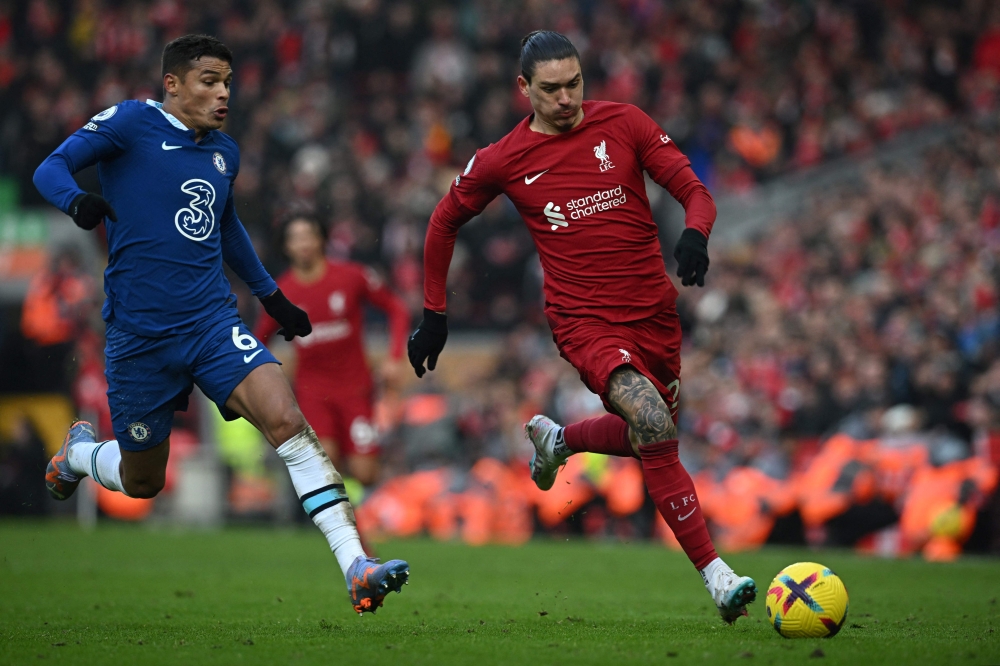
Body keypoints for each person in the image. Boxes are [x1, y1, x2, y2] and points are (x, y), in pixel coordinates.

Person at [32, 34, 407, 615]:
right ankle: (81, 455)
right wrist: (76, 202)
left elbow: (226, 227)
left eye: (227, 82)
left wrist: (272, 297)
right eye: (209, 80)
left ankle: (355, 565)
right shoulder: (130, 123)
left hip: (210, 322)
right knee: (144, 482)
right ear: (173, 83)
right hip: (139, 337)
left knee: (286, 419)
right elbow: (50, 167)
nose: (223, 92)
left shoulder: (223, 153)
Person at [408, 30, 755, 623]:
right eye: (551, 88)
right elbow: (443, 223)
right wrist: (434, 314)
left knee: (655, 431)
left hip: (654, 313)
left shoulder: (625, 122)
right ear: (524, 89)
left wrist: (695, 234)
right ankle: (718, 577)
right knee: (650, 419)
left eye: (574, 84)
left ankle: (560, 440)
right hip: (584, 320)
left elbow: (694, 189)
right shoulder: (503, 159)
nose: (566, 98)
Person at [255, 214, 410, 487]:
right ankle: (348, 528)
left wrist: (394, 358)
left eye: (309, 235)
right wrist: (266, 373)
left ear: (322, 240)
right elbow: (259, 340)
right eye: (296, 238)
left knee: (365, 473)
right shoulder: (280, 293)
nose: (304, 244)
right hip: (313, 393)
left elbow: (396, 308)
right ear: (286, 246)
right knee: (327, 467)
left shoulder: (351, 277)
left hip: (356, 390)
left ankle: (366, 510)